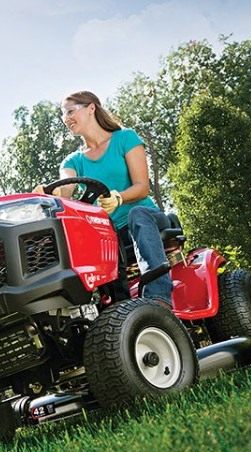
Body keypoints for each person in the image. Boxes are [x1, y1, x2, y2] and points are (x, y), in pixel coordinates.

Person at [56, 90, 174, 306]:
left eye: (70, 111)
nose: (66, 119)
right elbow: (66, 187)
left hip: (147, 220)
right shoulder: (73, 161)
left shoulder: (125, 138)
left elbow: (142, 188)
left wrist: (119, 198)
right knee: (86, 238)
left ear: (91, 108)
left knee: (137, 214)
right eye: (63, 114)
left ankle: (159, 298)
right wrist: (52, 192)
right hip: (111, 234)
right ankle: (118, 308)